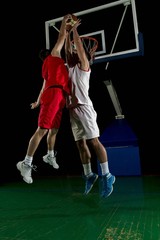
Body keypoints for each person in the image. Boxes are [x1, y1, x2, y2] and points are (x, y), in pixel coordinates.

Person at [16, 14, 72, 184]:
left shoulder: (48, 68)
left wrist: (37, 101)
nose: (58, 48)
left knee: (53, 129)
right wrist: (64, 22)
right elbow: (61, 36)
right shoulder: (54, 56)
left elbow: (43, 86)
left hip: (57, 95)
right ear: (49, 53)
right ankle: (25, 163)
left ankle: (49, 154)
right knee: (42, 130)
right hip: (54, 94)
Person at [65, 18, 115, 198]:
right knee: (80, 143)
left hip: (85, 107)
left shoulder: (84, 66)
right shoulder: (69, 67)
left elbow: (77, 46)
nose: (72, 51)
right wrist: (66, 31)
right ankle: (89, 175)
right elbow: (67, 49)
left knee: (94, 141)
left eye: (75, 50)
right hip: (72, 110)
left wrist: (74, 31)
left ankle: (107, 175)